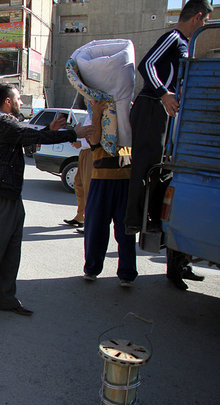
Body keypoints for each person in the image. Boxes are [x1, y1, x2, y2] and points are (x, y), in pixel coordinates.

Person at [0, 84, 93, 326]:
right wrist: (75, 133)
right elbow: (30, 135)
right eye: (18, 98)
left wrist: (47, 129)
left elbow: (26, 134)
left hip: (11, 196)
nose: (21, 101)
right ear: (8, 101)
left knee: (12, 251)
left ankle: (6, 299)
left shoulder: (8, 123)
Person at [124, 0, 211, 290]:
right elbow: (145, 64)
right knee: (145, 167)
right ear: (198, 17)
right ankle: (133, 220)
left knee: (161, 173)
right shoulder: (173, 38)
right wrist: (163, 93)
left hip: (165, 113)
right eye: (204, 21)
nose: (203, 27)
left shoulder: (186, 44)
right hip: (150, 107)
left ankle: (175, 259)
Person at [82, 101, 137, 287]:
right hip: (102, 182)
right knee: (96, 228)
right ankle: (92, 268)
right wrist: (97, 112)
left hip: (125, 182)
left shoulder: (126, 129)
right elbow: (95, 140)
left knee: (125, 231)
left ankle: (127, 274)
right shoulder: (97, 122)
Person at [64, 136, 92, 230]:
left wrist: (82, 143)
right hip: (85, 151)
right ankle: (81, 217)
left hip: (91, 151)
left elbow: (99, 136)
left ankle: (90, 224)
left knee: (89, 188)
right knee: (79, 184)